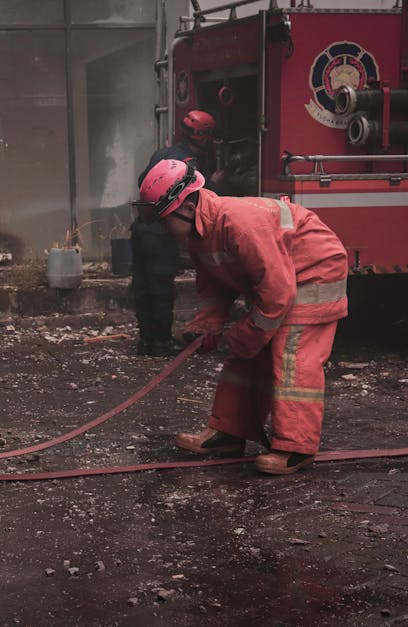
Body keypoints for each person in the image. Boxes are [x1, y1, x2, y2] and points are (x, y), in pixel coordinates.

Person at [134, 159, 348, 474]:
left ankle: (296, 448)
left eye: (163, 219)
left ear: (188, 206)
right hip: (284, 279)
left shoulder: (239, 223)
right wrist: (209, 321)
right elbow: (216, 283)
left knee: (291, 358)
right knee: (246, 353)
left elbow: (278, 294)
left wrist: (245, 334)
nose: (161, 229)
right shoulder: (198, 234)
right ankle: (228, 433)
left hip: (314, 271)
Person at [131, 110, 223, 357]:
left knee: (143, 287)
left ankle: (146, 340)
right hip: (160, 231)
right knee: (161, 288)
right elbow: (197, 192)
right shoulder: (188, 162)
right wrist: (217, 182)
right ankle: (161, 342)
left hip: (141, 226)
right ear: (204, 136)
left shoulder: (163, 154)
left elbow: (143, 181)